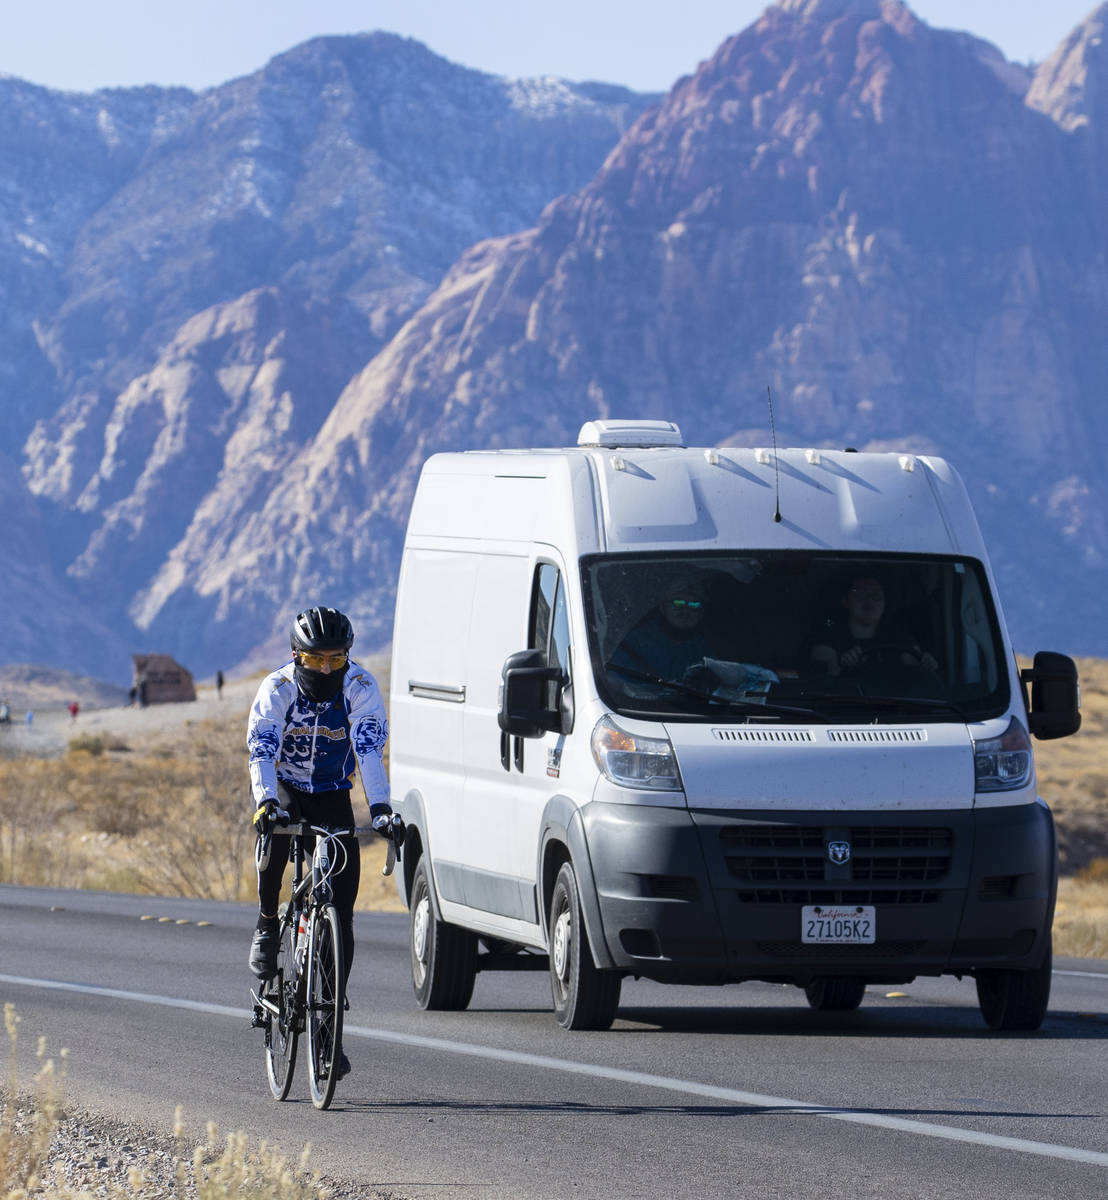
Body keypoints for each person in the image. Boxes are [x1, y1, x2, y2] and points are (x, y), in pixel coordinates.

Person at [246, 605, 402, 1082]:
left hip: (334, 792)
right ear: (296, 656)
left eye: (335, 660)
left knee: (342, 908)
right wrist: (266, 800)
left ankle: (329, 1028)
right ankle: (268, 923)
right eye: (315, 661)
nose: (326, 669)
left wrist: (380, 808)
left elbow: (370, 748)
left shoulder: (360, 687)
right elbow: (263, 747)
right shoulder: (277, 689)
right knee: (274, 837)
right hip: (288, 788)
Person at [809, 575, 937, 677]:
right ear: (845, 601)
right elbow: (824, 687)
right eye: (860, 593)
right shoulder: (827, 641)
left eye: (876, 595)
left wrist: (927, 666)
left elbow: (917, 682)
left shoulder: (901, 639)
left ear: (885, 603)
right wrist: (843, 669)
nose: (869, 600)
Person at [609, 577, 716, 683]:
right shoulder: (635, 642)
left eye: (694, 605)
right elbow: (615, 683)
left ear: (702, 613)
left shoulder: (707, 649)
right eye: (678, 603)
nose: (685, 610)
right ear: (662, 607)